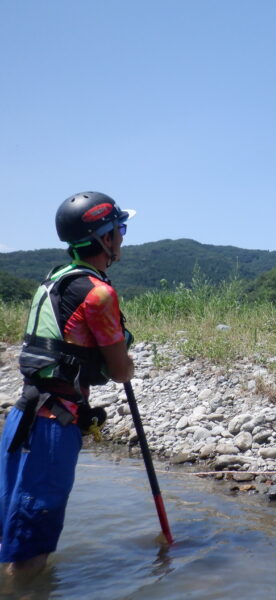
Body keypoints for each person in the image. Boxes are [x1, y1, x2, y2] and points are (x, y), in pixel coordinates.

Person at [0, 192, 135, 579]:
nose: (123, 238)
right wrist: (127, 358)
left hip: (21, 417)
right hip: (53, 428)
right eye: (120, 230)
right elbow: (120, 371)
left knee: (11, 532)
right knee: (31, 553)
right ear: (104, 239)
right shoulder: (99, 292)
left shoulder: (51, 283)